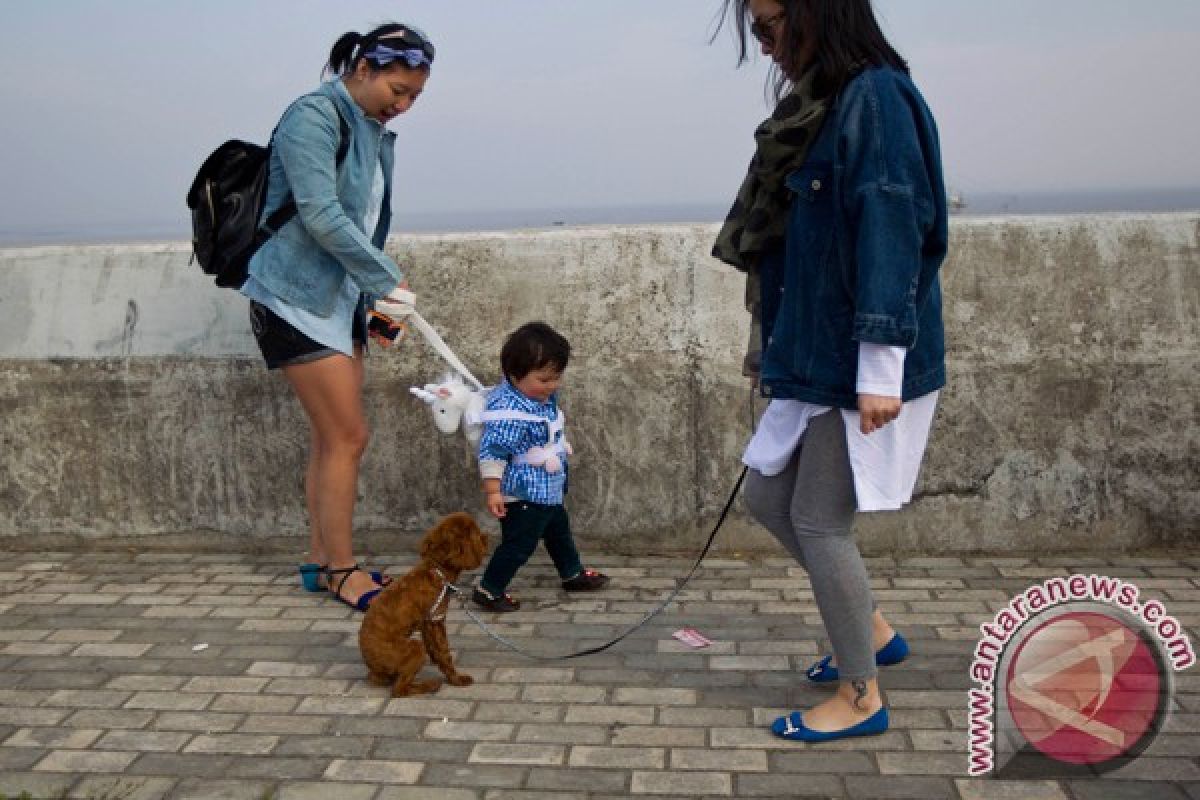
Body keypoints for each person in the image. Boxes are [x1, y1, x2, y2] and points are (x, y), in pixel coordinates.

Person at [714, 0, 948, 741]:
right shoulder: (819, 100)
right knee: (766, 497)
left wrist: (880, 366)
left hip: (860, 358)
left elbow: (892, 221)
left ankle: (860, 696)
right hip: (816, 349)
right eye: (756, 27)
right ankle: (871, 632)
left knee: (819, 520)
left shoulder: (874, 96)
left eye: (774, 20)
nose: (766, 41)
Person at [242, 22, 436, 611]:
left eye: (414, 97)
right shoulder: (314, 115)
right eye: (397, 90)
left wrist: (372, 295)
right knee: (349, 436)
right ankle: (344, 572)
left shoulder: (372, 128)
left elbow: (362, 220)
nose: (402, 106)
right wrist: (386, 280)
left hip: (338, 299)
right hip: (292, 296)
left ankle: (321, 562)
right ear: (362, 69)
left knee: (333, 439)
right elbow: (322, 215)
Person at [471, 322, 610, 612]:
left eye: (556, 378)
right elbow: (493, 451)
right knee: (519, 544)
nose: (552, 386)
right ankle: (489, 588)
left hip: (547, 489)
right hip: (523, 494)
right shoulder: (509, 413)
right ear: (515, 374)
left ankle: (571, 573)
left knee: (559, 530)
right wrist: (493, 491)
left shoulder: (538, 398)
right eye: (544, 379)